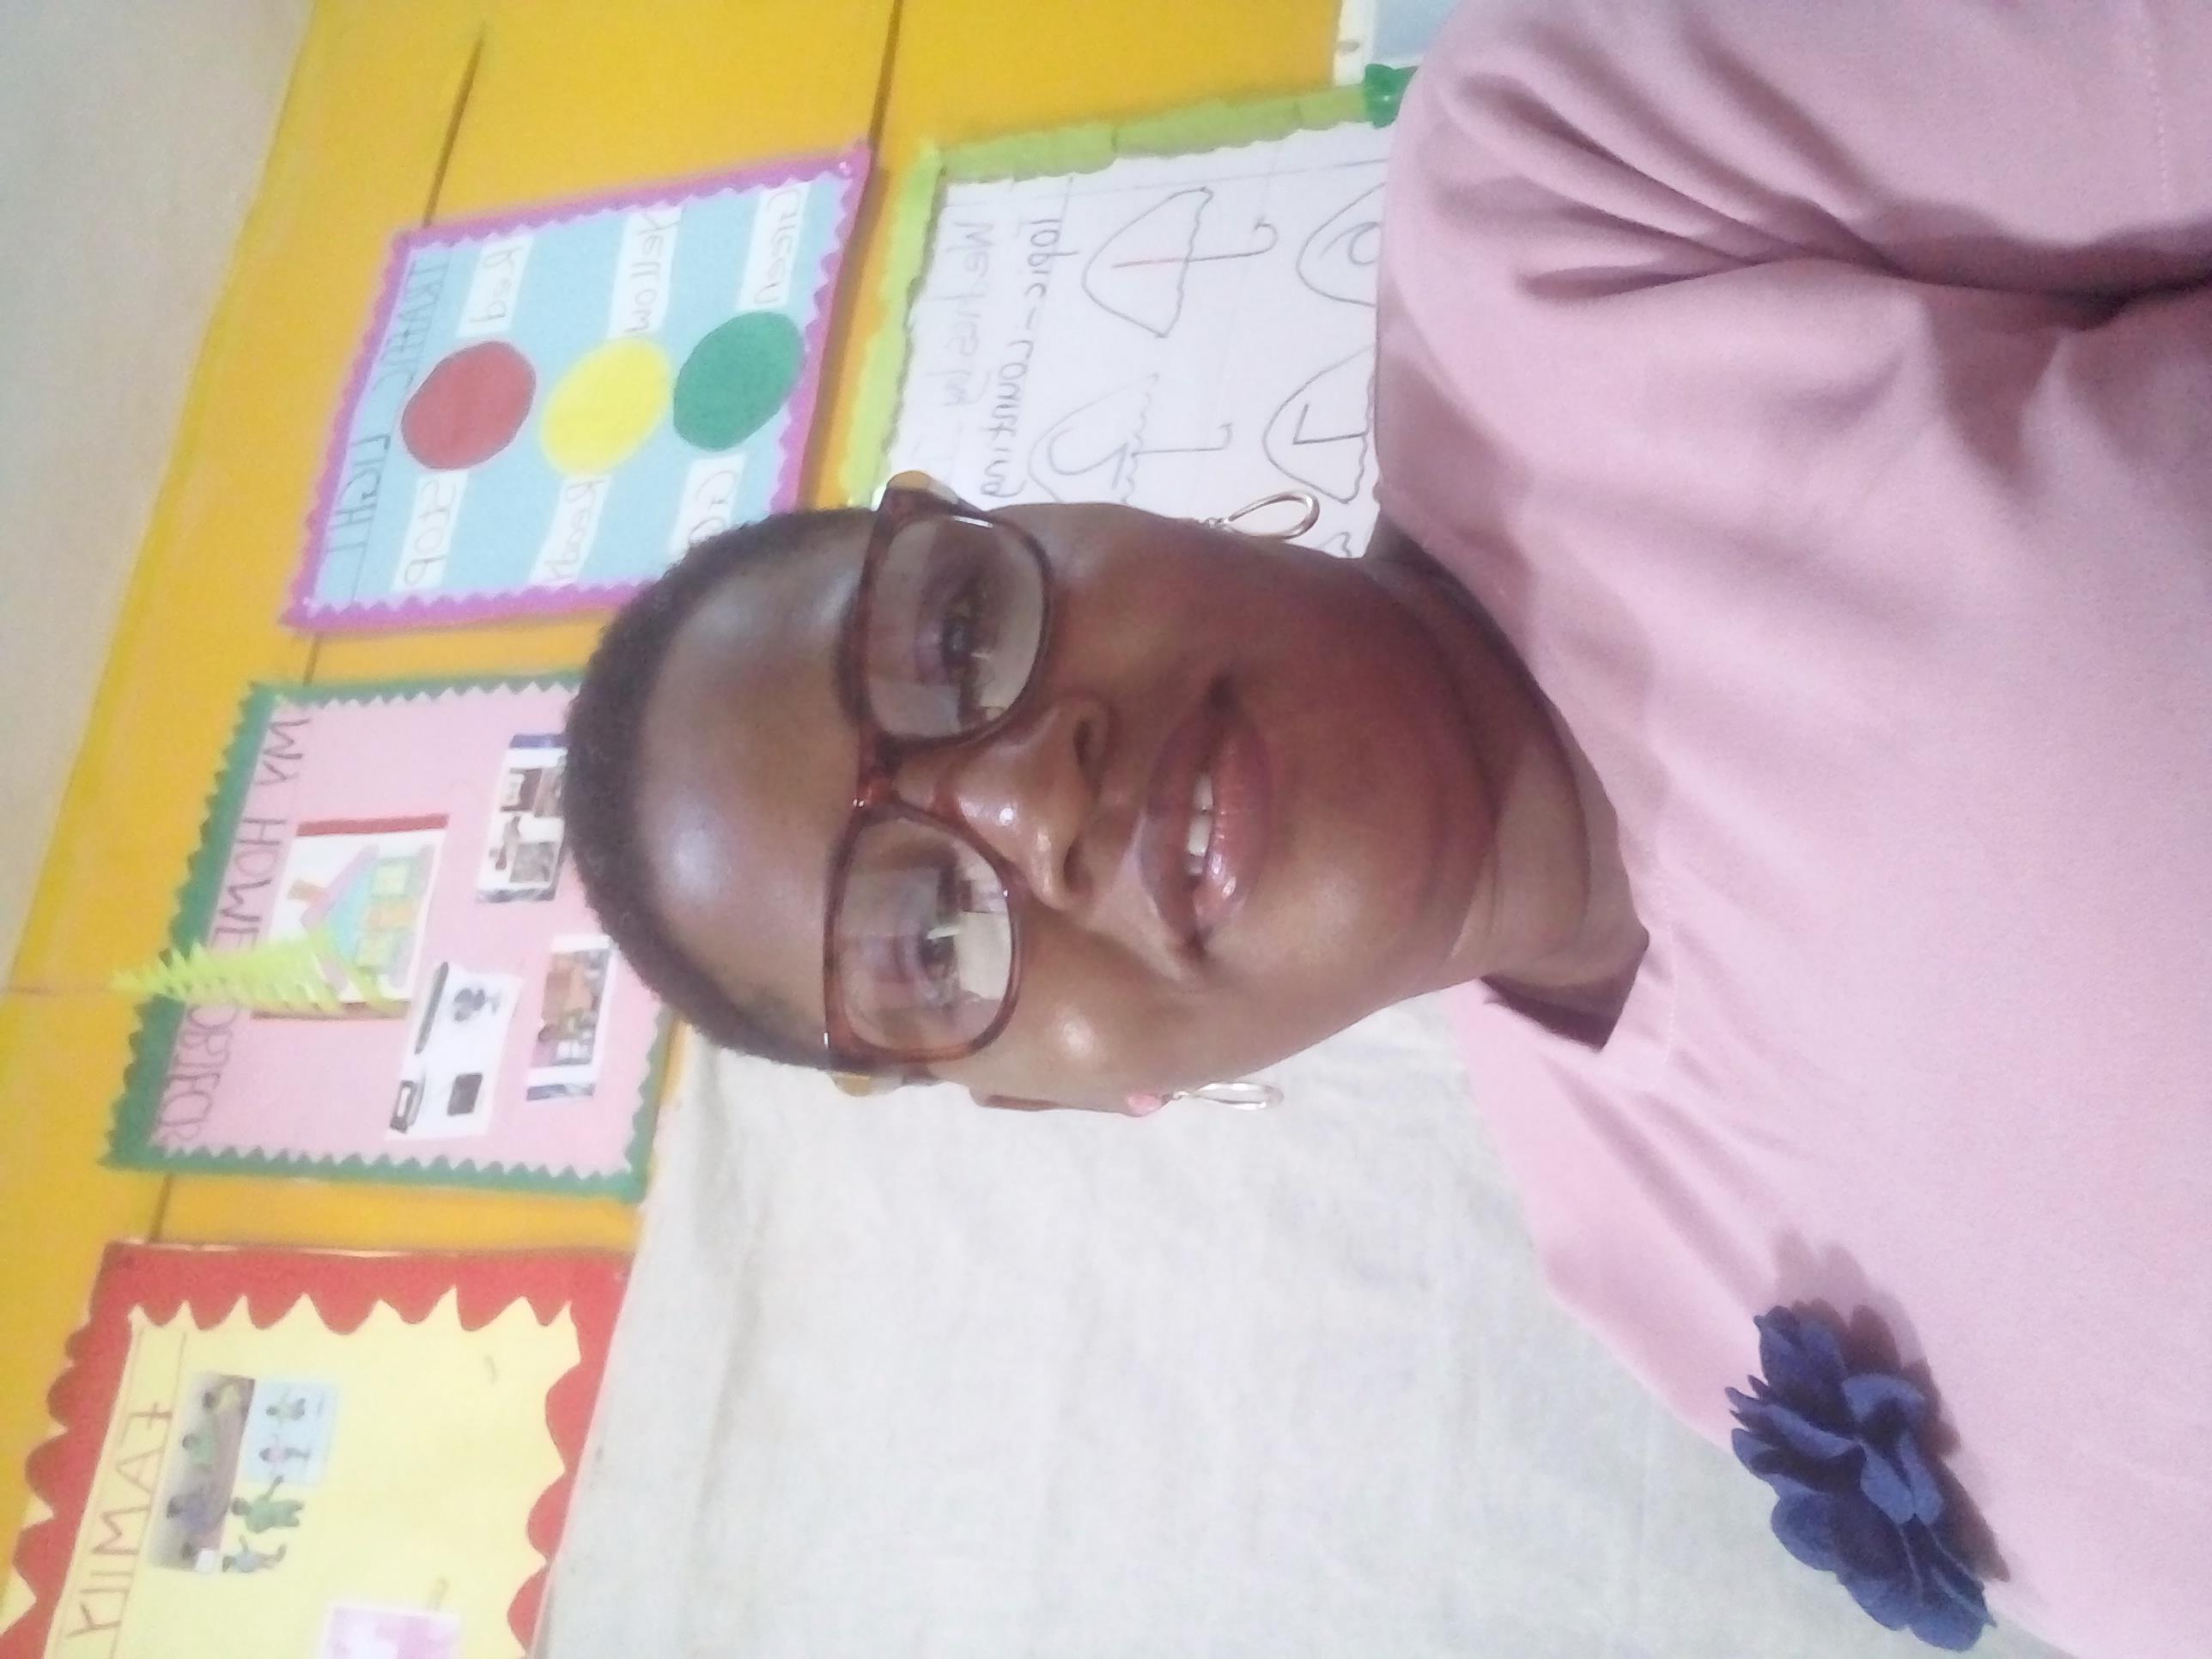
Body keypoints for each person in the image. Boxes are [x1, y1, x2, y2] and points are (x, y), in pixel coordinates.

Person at [565, 3, 2209, 1653]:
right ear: (1053, 1094)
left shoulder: (1558, 189)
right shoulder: (1632, 1249)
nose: (1033, 803)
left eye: (947, 639)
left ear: (1059, 514)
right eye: (928, 943)